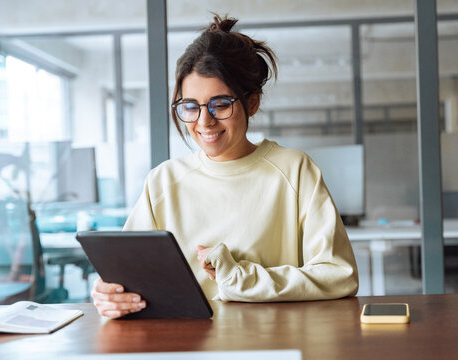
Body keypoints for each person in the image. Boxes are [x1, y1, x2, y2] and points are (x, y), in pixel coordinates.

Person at [91, 14, 359, 319]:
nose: (204, 122)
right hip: (185, 346)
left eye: (220, 104)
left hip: (273, 343)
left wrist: (241, 279)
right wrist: (111, 294)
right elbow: (128, 278)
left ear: (252, 102)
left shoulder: (294, 170)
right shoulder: (163, 181)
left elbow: (340, 275)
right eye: (190, 106)